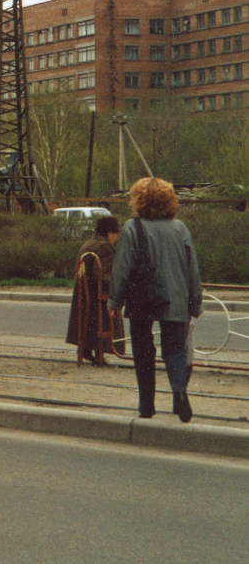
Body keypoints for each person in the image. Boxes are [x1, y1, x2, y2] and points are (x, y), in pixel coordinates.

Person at [109, 177, 202, 422]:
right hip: (176, 299)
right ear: (170, 200)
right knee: (175, 349)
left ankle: (146, 406)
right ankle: (179, 391)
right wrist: (196, 303)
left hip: (142, 298)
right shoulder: (180, 228)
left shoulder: (132, 227)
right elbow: (192, 269)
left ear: (139, 200)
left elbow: (122, 269)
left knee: (142, 350)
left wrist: (114, 303)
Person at [67, 215, 122, 364]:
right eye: (116, 233)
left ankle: (86, 349)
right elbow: (103, 274)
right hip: (98, 294)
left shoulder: (89, 243)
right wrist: (118, 284)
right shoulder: (105, 247)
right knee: (102, 325)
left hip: (84, 293)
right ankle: (99, 356)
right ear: (109, 232)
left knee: (88, 324)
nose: (116, 237)